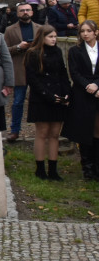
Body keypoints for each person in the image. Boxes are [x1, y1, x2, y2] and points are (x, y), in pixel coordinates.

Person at [24, 25, 71, 180]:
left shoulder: (57, 51)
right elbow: (33, 79)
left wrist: (66, 94)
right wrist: (49, 96)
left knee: (55, 134)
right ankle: (40, 168)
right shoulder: (33, 53)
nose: (54, 39)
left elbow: (63, 73)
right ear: (42, 37)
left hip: (58, 97)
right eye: (50, 36)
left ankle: (53, 168)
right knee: (42, 133)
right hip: (41, 99)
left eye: (55, 36)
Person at [62, 20, 99, 181]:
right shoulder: (75, 51)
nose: (85, 34)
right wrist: (88, 86)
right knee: (85, 132)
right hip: (82, 94)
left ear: (95, 32)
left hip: (98, 92)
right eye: (82, 31)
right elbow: (74, 73)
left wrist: (97, 85)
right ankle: (88, 169)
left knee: (97, 131)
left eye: (89, 31)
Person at [4, 2, 41, 142]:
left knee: (39, 101)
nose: (25, 12)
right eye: (22, 10)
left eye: (27, 10)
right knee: (18, 102)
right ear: (17, 13)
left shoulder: (40, 28)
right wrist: (18, 47)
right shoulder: (10, 30)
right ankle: (15, 130)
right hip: (19, 70)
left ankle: (41, 130)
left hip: (37, 69)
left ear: (32, 12)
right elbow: (5, 51)